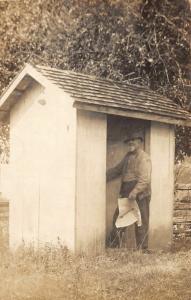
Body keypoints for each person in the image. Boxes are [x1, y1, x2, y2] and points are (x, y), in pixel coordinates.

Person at [106, 132, 152, 250]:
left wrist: (135, 192)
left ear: (140, 142)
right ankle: (114, 247)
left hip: (140, 193)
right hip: (126, 191)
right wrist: (101, 176)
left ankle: (142, 250)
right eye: (129, 140)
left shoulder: (144, 158)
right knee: (119, 218)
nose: (131, 142)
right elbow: (117, 170)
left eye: (134, 140)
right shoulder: (128, 156)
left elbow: (144, 179)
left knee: (141, 221)